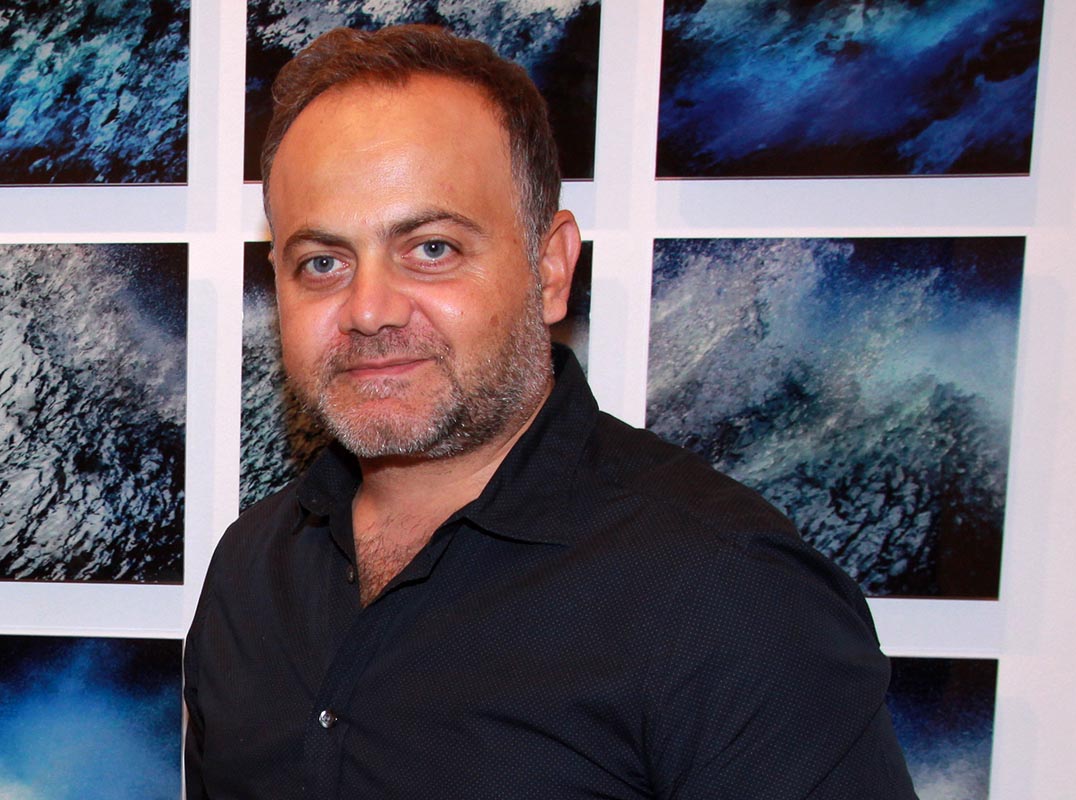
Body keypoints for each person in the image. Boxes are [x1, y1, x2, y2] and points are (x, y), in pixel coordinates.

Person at [184, 24, 917, 799]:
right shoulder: (250, 571)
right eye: (322, 262)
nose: (369, 310)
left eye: (431, 249)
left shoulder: (728, 596)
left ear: (551, 268)